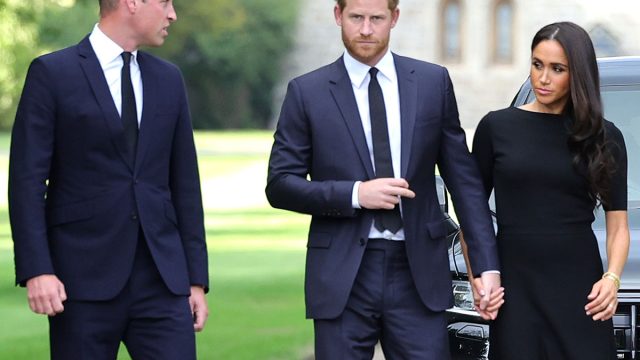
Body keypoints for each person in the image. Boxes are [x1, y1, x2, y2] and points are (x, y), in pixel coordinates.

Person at [266, 0, 503, 358]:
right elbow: (280, 184)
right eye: (355, 17)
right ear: (337, 16)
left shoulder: (431, 82)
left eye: (376, 18)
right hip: (342, 276)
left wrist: (486, 266)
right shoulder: (307, 92)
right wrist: (356, 194)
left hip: (418, 271)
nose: (365, 29)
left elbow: (465, 183)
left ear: (394, 18)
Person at [8, 0, 209, 358]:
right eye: (165, 2)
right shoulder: (52, 74)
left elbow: (185, 186)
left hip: (162, 283)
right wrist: (37, 270)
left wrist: (195, 280)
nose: (172, 14)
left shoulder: (169, 79)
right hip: (80, 282)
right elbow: (26, 182)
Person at [468, 21, 630, 359]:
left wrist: (612, 278)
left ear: (578, 74)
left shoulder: (605, 137)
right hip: (516, 290)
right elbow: (473, 215)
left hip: (581, 291)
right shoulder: (496, 128)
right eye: (537, 64)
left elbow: (618, 226)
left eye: (557, 69)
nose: (543, 78)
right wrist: (479, 277)